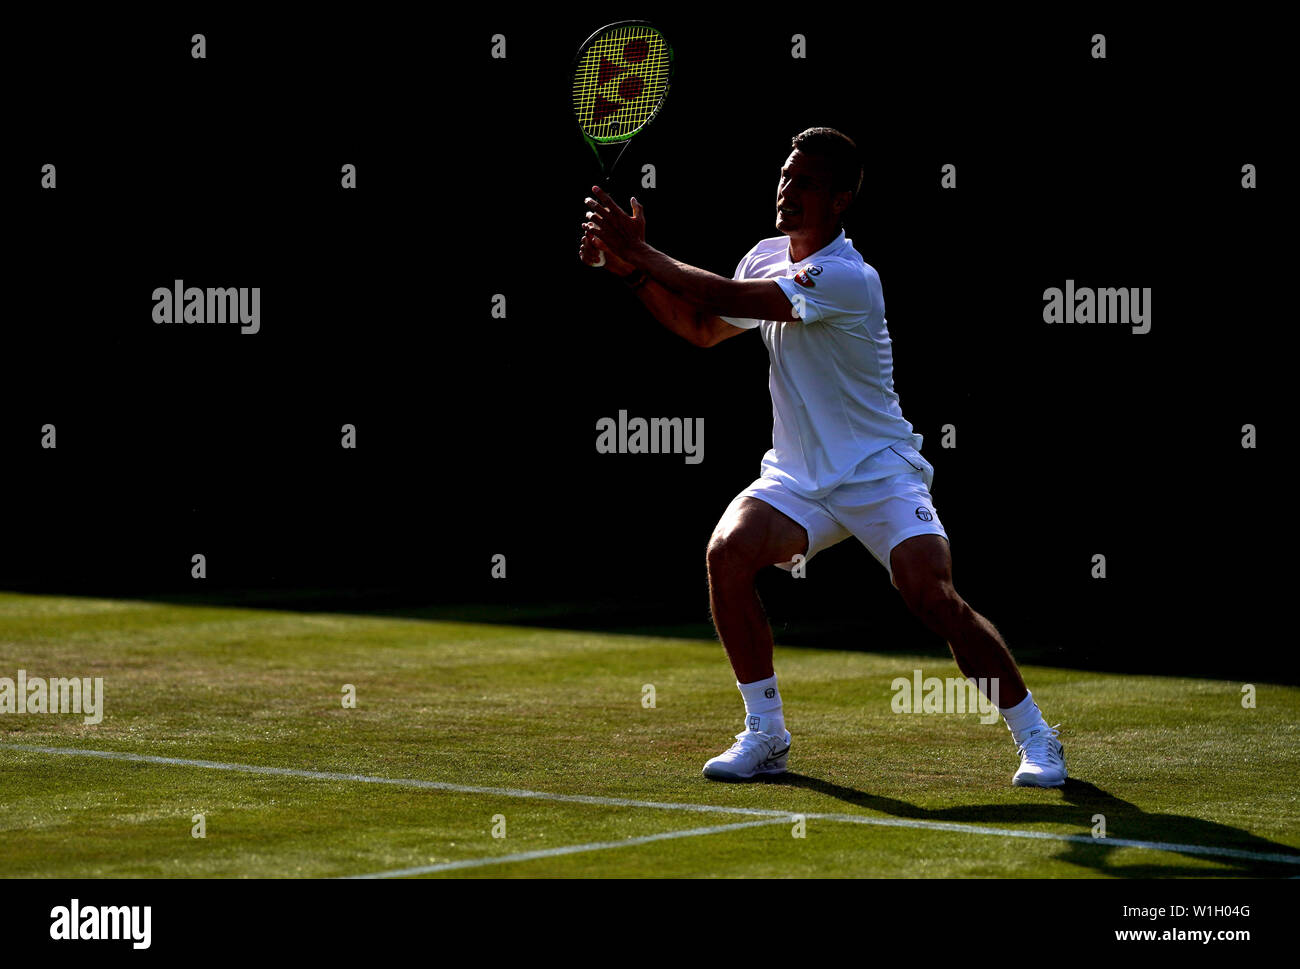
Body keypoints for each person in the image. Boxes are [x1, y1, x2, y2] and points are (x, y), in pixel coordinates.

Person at [579, 127, 1065, 788]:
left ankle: (1037, 736)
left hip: (879, 471)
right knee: (728, 553)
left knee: (932, 596)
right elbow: (700, 328)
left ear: (839, 200)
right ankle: (766, 731)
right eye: (785, 176)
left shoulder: (848, 277)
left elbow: (723, 297)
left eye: (806, 182)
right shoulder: (763, 256)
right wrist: (629, 270)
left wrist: (640, 248)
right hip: (797, 478)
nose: (788, 190)